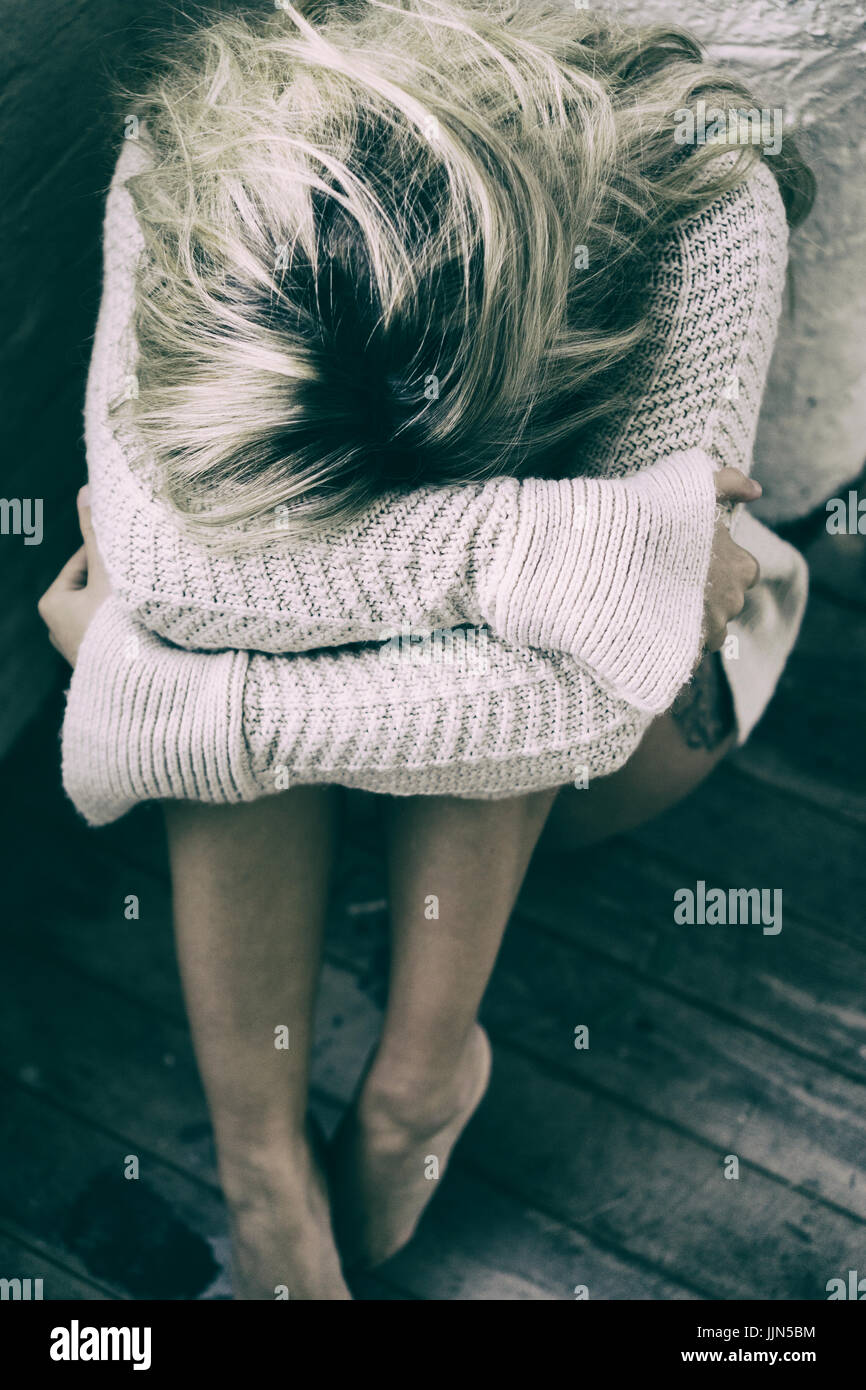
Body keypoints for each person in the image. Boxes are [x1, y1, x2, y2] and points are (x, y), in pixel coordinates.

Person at [38, 0, 813, 1298]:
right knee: (259, 621)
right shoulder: (187, 147)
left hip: (614, 732)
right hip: (494, 678)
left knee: (238, 652)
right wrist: (563, 550)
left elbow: (585, 712)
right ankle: (263, 1168)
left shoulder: (709, 191)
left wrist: (154, 695)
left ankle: (417, 1077)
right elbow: (176, 572)